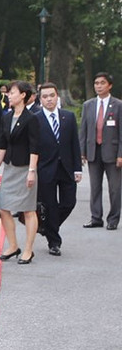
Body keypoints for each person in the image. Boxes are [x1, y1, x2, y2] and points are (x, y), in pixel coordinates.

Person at [0, 81, 40, 264]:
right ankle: (13, 246)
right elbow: (2, 144)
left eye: (12, 92)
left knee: (28, 210)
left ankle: (28, 249)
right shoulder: (6, 117)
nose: (9, 95)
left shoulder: (31, 118)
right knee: (3, 207)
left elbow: (35, 147)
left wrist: (31, 171)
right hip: (10, 168)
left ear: (23, 95)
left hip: (25, 168)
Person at [35, 82, 82, 255]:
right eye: (45, 97)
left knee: (69, 202)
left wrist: (78, 168)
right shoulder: (35, 119)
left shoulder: (68, 117)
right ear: (40, 100)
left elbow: (74, 145)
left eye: (52, 96)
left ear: (57, 97)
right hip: (45, 169)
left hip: (67, 168)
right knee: (50, 205)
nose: (49, 99)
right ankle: (54, 242)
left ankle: (47, 227)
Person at [78, 72, 122, 231]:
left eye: (102, 83)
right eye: (96, 83)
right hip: (93, 151)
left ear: (109, 85)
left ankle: (113, 219)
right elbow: (83, 130)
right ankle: (96, 217)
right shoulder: (88, 105)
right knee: (95, 187)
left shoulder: (118, 105)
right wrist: (81, 152)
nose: (99, 86)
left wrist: (120, 154)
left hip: (113, 152)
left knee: (115, 188)